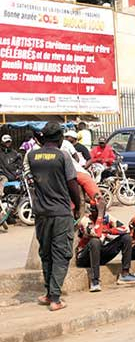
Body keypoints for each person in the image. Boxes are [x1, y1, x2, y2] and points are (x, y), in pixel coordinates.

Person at [29, 122, 83, 312]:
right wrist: (77, 206)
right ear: (60, 138)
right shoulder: (63, 156)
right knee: (61, 254)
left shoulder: (32, 156)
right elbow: (72, 184)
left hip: (41, 213)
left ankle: (48, 293)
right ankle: (55, 299)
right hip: (60, 213)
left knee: (46, 253)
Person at [75, 211, 135, 292]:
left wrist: (109, 230)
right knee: (95, 241)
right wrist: (100, 215)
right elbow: (96, 233)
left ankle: (125, 274)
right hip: (84, 257)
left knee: (126, 238)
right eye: (99, 208)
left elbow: (125, 229)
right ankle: (95, 281)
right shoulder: (86, 219)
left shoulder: (107, 217)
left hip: (99, 255)